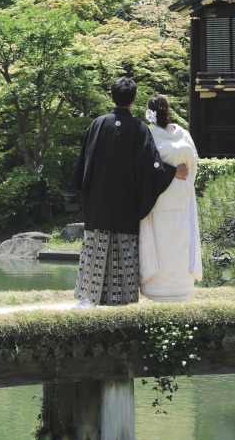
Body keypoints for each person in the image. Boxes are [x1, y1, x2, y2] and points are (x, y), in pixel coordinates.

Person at [71, 76, 188, 307]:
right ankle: (121, 299)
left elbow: (84, 163)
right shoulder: (139, 128)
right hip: (125, 204)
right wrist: (172, 171)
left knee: (95, 247)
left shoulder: (98, 124)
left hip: (98, 202)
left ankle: (87, 298)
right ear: (133, 100)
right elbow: (151, 166)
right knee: (122, 251)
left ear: (111, 97)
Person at [139, 94, 202, 302]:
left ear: (150, 113)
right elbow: (193, 165)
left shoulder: (150, 137)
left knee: (160, 244)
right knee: (180, 241)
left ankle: (159, 288)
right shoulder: (184, 135)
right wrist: (178, 175)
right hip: (182, 196)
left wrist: (169, 173)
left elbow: (146, 169)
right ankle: (181, 286)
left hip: (159, 198)